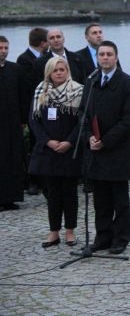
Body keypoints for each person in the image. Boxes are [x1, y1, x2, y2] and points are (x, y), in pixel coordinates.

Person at [81, 41, 130, 254]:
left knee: (119, 199)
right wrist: (89, 137)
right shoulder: (91, 81)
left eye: (109, 54)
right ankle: (103, 236)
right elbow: (84, 114)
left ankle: (121, 238)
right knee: (101, 199)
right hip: (96, 150)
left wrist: (106, 140)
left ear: (116, 57)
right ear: (97, 58)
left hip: (118, 150)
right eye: (101, 54)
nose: (105, 58)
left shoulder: (128, 83)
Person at [29, 57, 83, 247]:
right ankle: (54, 232)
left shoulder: (78, 91)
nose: (59, 73)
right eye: (55, 70)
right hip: (48, 151)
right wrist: (48, 141)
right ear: (49, 73)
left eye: (62, 69)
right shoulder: (40, 91)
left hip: (69, 151)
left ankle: (70, 231)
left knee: (69, 192)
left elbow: (82, 122)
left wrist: (69, 141)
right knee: (52, 193)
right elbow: (34, 121)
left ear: (68, 70)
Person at [17, 27, 49, 196]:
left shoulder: (45, 58)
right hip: (34, 107)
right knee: (37, 145)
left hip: (46, 107)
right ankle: (34, 180)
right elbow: (27, 87)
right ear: (43, 43)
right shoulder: (24, 60)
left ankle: (45, 179)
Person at [0, 36, 28, 211]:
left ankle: (11, 197)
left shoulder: (15, 69)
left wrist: (24, 120)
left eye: (5, 48)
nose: (3, 51)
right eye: (0, 48)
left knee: (13, 159)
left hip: (13, 123)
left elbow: (22, 96)